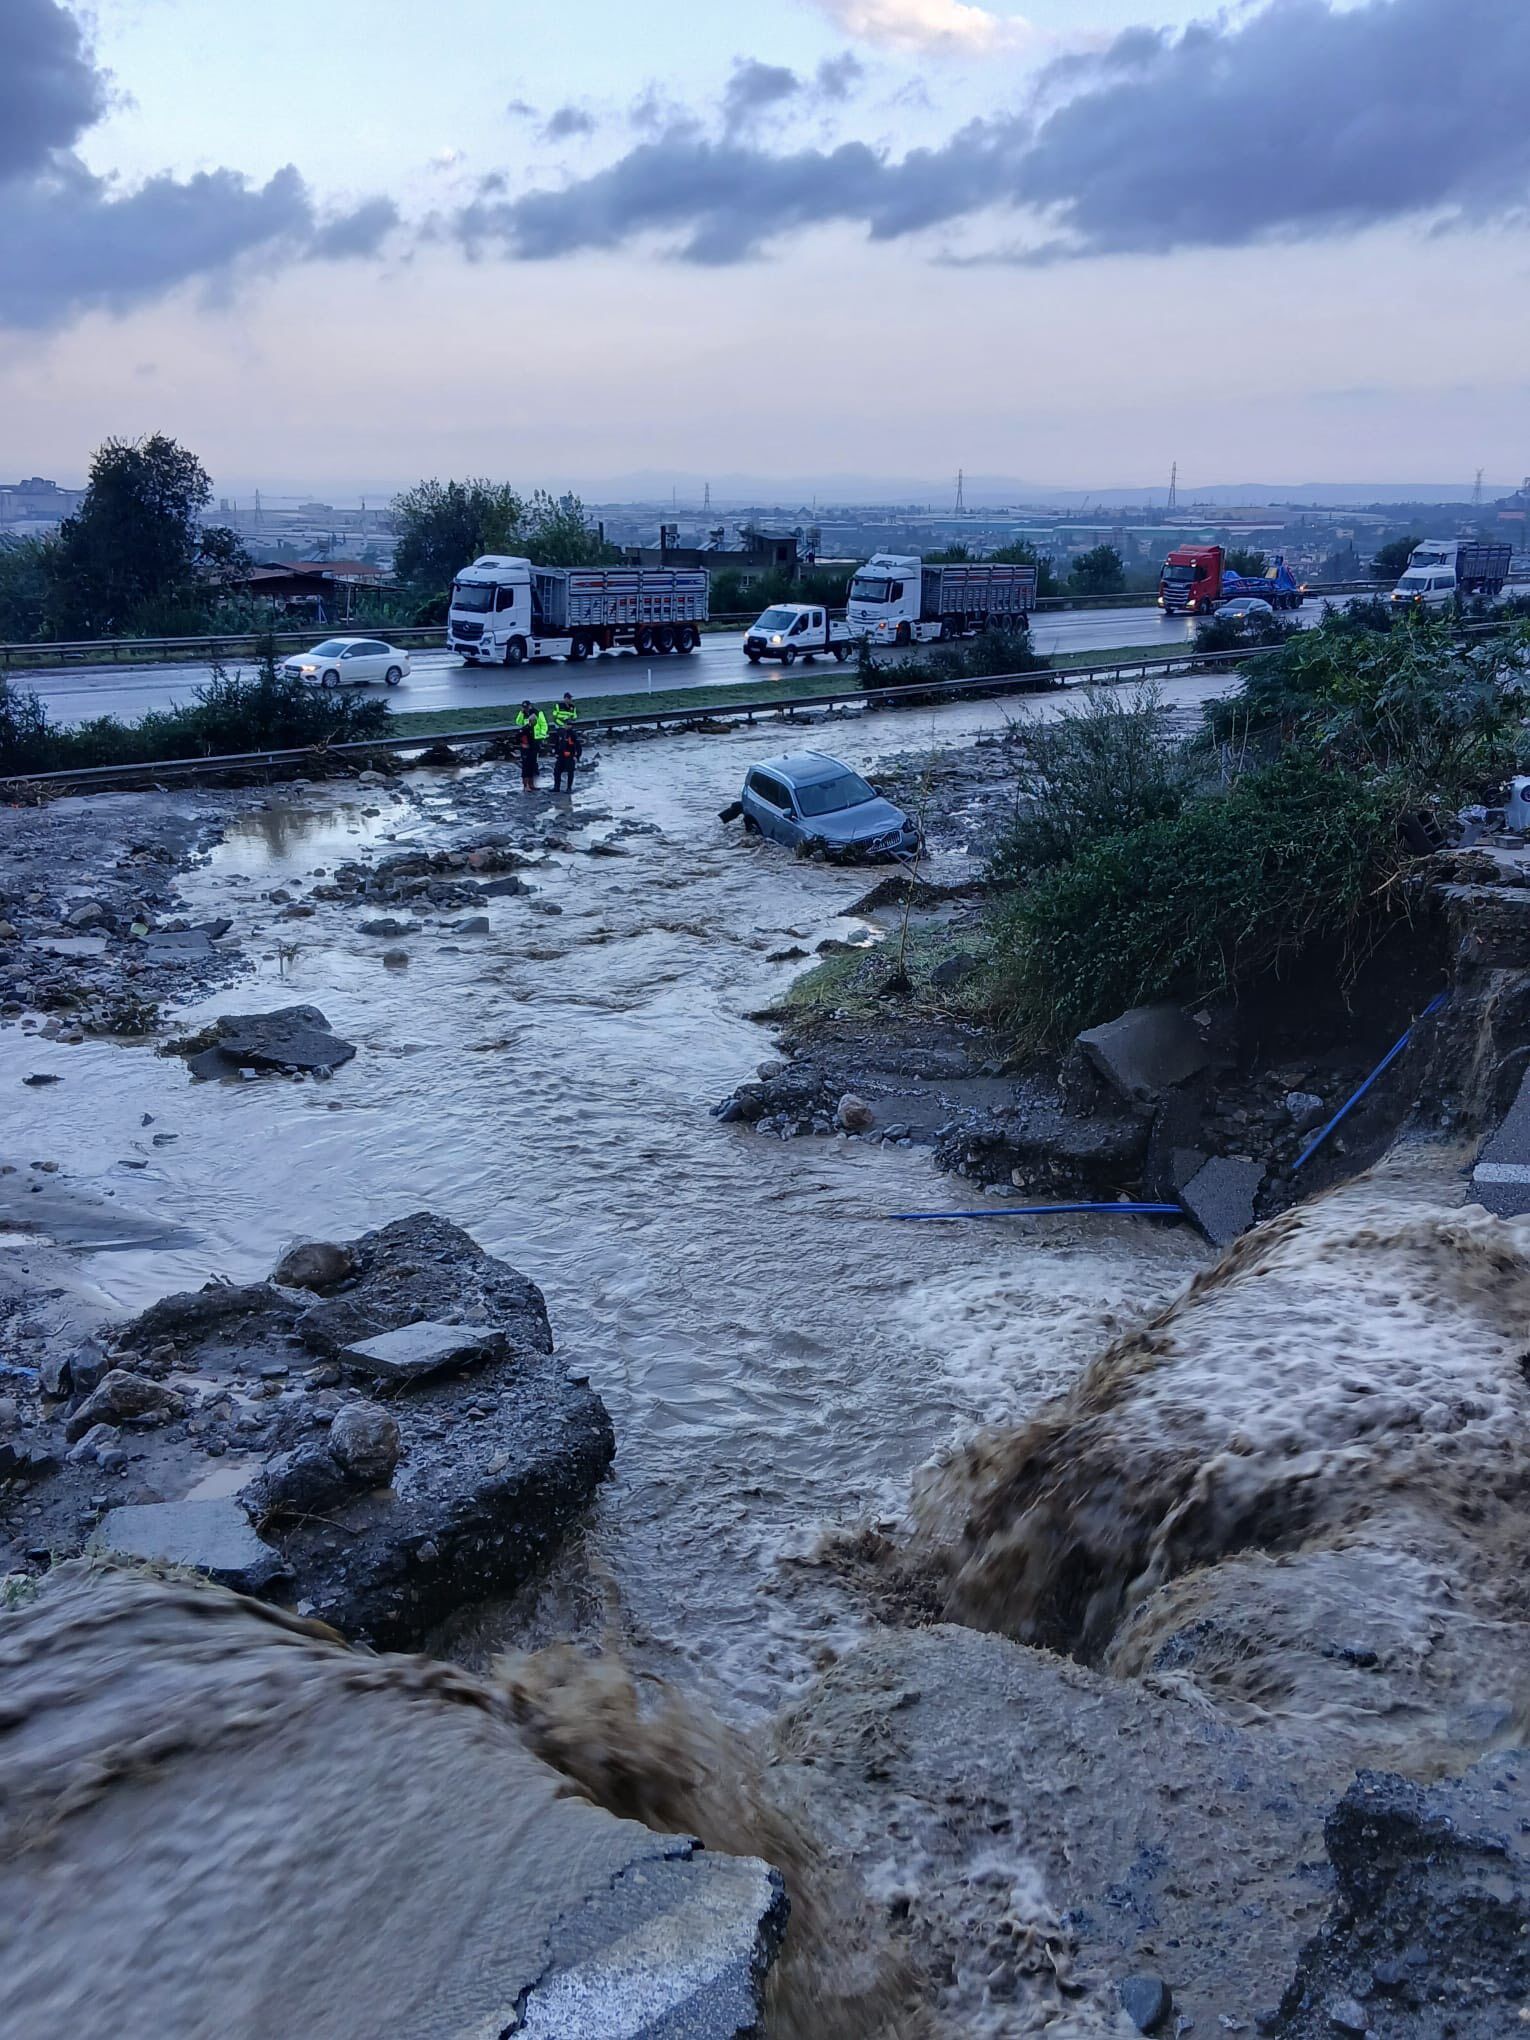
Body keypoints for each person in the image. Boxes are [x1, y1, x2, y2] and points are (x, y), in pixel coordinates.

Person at [513, 699, 547, 790]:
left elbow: (544, 725)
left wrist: (542, 736)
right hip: (526, 743)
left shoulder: (537, 713)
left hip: (535, 740)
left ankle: (531, 784)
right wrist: (521, 713)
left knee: (532, 763)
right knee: (526, 765)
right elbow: (518, 723)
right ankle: (525, 786)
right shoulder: (524, 721)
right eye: (524, 708)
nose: (526, 709)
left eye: (527, 707)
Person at [552, 722, 579, 794]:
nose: (567, 726)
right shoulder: (561, 733)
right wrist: (556, 752)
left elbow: (576, 746)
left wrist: (575, 756)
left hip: (570, 756)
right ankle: (556, 787)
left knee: (570, 772)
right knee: (557, 771)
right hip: (561, 755)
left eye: (568, 725)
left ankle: (569, 788)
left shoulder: (573, 734)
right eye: (566, 724)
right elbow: (557, 743)